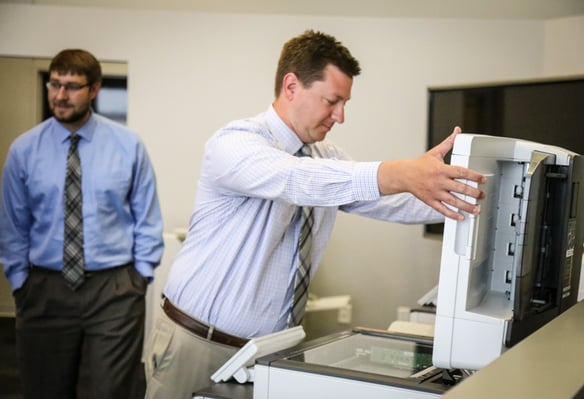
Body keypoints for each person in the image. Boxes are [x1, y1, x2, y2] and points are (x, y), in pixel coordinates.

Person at [144, 30, 485, 398]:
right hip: (197, 344)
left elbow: (392, 200)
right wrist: (399, 172)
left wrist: (470, 196)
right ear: (291, 86)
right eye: (332, 101)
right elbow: (297, 180)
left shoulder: (328, 158)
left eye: (344, 103)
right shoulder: (234, 143)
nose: (340, 116)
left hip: (268, 352)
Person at [0, 49, 164, 399]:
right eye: (54, 84)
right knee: (44, 390)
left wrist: (140, 277)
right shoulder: (24, 150)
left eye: (72, 87)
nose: (60, 95)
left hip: (116, 290)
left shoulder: (127, 145)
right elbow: (13, 224)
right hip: (45, 289)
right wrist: (20, 283)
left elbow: (146, 217)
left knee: (113, 391)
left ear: (94, 90)